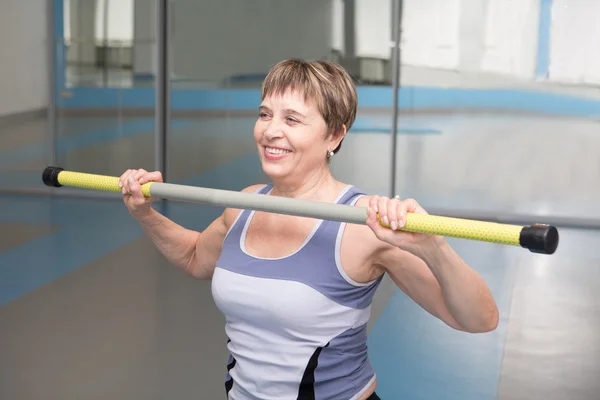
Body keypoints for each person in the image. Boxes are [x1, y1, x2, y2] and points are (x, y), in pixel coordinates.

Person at [118, 59, 499, 400]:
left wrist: (433, 247)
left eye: (292, 119)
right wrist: (145, 214)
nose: (270, 131)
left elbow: (477, 319)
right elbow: (195, 257)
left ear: (334, 135)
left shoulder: (363, 224)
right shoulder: (246, 203)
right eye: (265, 114)